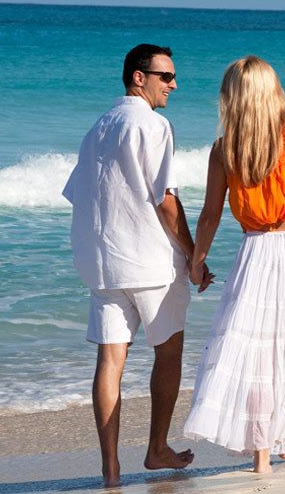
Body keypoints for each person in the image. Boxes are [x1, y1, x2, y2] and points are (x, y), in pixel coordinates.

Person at [183, 56, 285, 473]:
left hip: (254, 252)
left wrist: (197, 261)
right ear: (272, 92)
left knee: (256, 349)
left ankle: (262, 456)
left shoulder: (224, 149)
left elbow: (210, 215)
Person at [62, 44, 203, 487]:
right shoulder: (153, 124)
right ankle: (157, 449)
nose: (173, 85)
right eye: (165, 76)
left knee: (110, 361)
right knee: (169, 351)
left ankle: (110, 469)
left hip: (101, 262)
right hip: (149, 261)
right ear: (138, 77)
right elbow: (165, 199)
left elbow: (78, 195)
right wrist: (195, 254)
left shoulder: (98, 126)